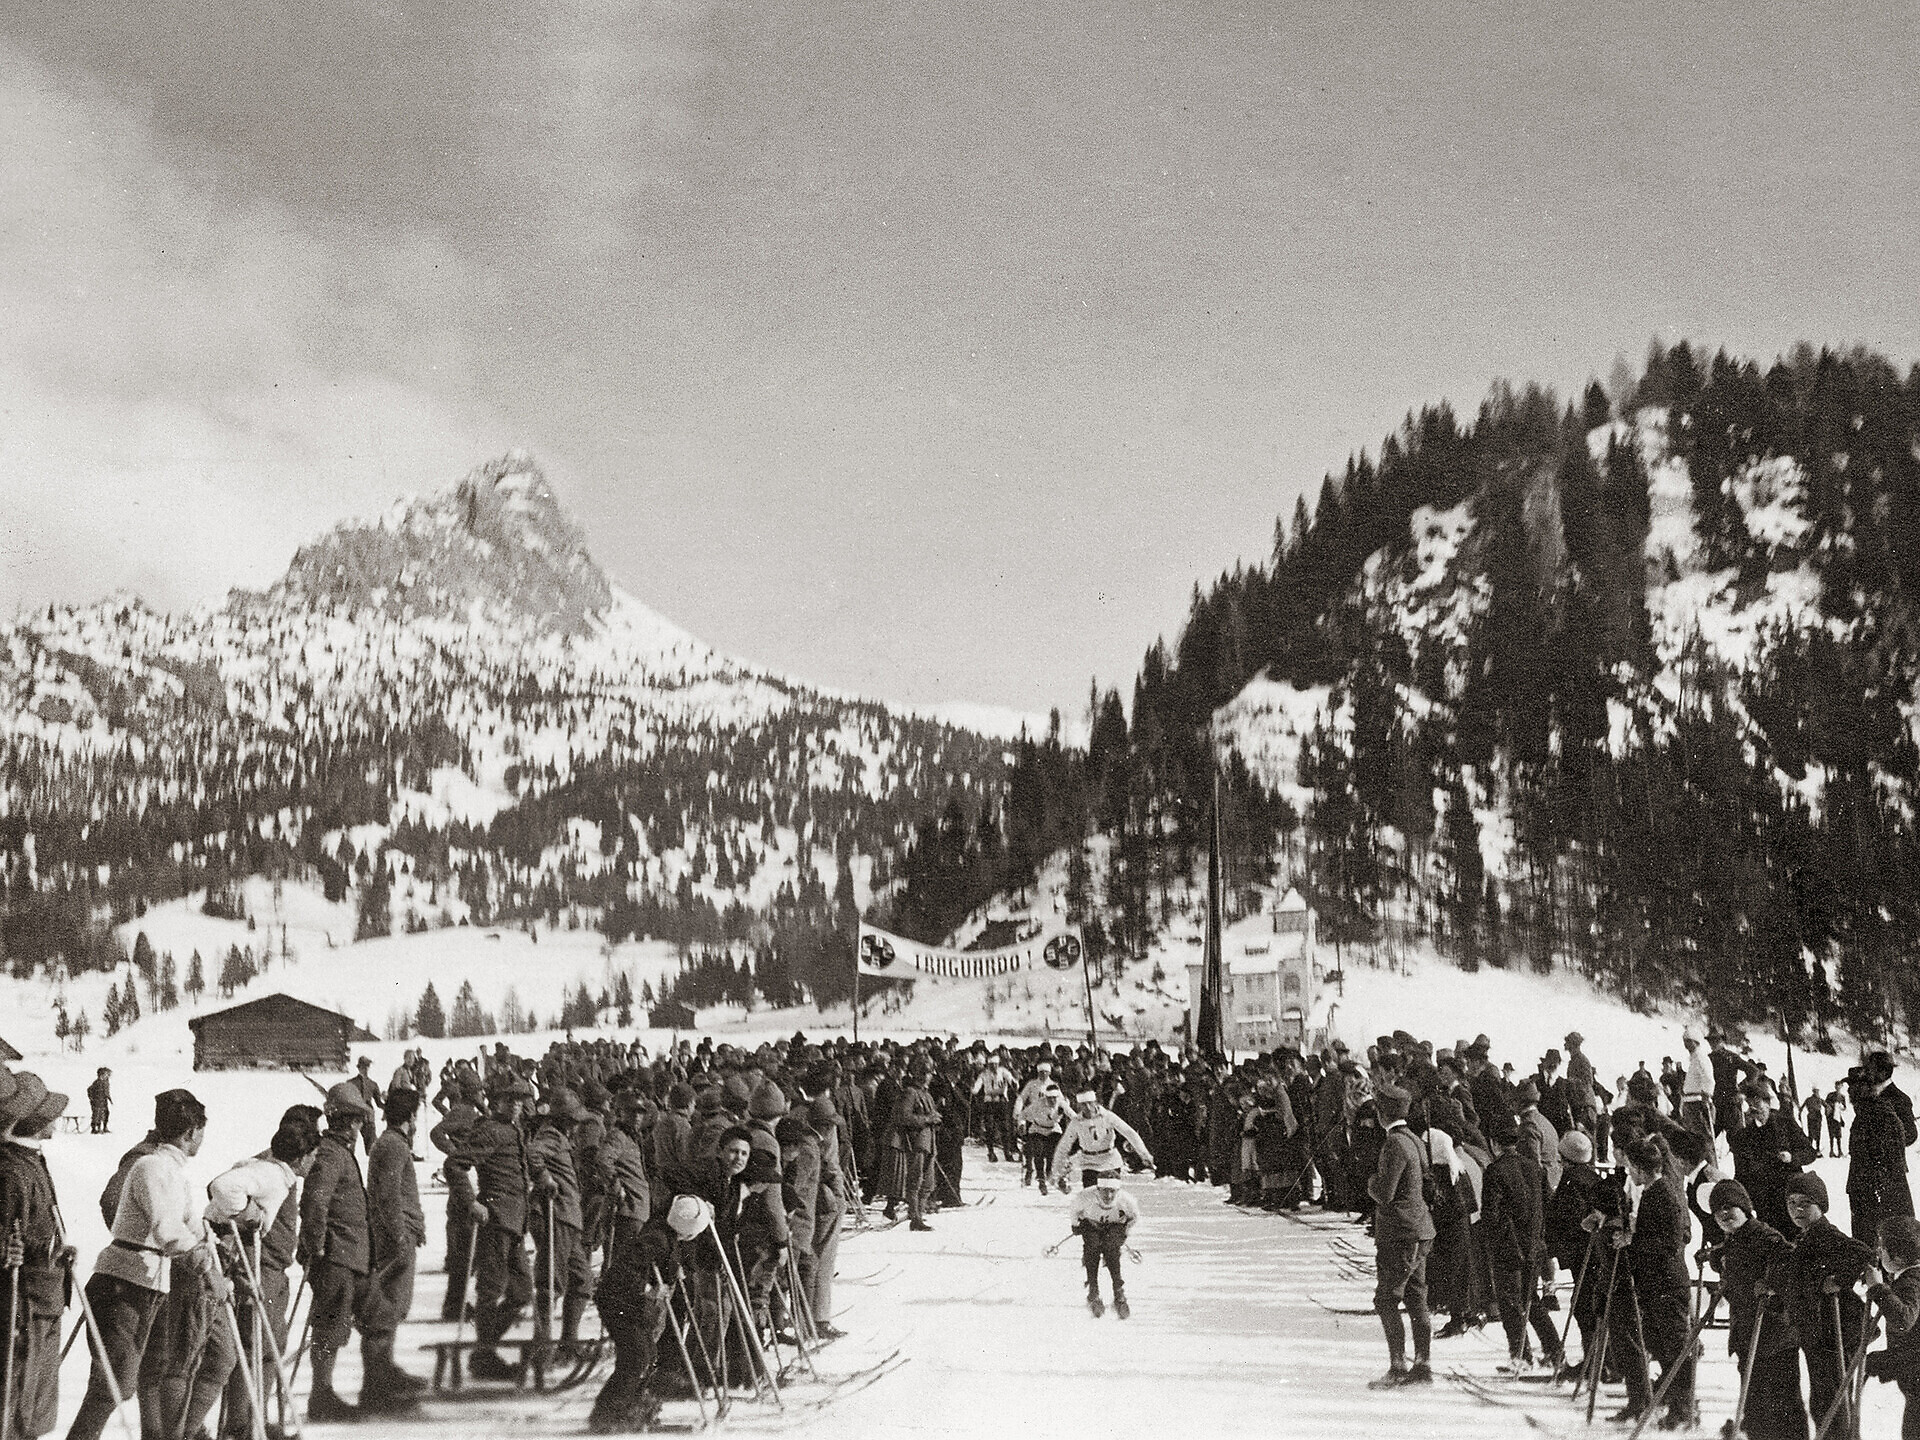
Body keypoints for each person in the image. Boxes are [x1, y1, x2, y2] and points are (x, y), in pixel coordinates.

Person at [67, 1090, 216, 1440]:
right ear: (191, 1132)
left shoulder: (171, 1169)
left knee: (123, 1380)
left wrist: (211, 1244)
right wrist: (200, 1258)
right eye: (201, 1131)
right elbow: (167, 1228)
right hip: (123, 1284)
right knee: (113, 1385)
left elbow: (189, 1221)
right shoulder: (152, 1166)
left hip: (146, 1284)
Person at [1765, 1170, 1873, 1440]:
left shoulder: (1825, 1234)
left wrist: (1838, 1280)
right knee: (1824, 1401)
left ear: (1820, 1206)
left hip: (1836, 1333)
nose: (1797, 1210)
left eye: (1805, 1203)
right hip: (1817, 1331)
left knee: (1833, 1402)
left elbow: (1864, 1255)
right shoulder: (1805, 1236)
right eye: (1791, 1203)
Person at [1600, 1135, 1694, 1429]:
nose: (1629, 1172)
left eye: (1631, 1168)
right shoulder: (1656, 1191)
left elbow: (1668, 1244)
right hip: (1657, 1284)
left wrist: (1632, 1242)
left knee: (1675, 1348)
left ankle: (1684, 1408)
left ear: (1641, 1168)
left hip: (1667, 1283)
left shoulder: (1663, 1193)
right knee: (1661, 1345)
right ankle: (1670, 1403)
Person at [0, 1071, 72, 1440]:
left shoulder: (30, 1162)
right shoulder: (13, 1169)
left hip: (46, 1293)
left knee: (37, 1398)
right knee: (19, 1396)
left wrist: (57, 1246)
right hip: (26, 1300)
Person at [448, 1076, 535, 1382]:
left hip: (514, 1224)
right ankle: (484, 1356)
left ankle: (483, 1349)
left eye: (520, 1100)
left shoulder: (514, 1129)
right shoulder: (490, 1130)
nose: (516, 1105)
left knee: (523, 1292)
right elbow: (455, 1165)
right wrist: (472, 1202)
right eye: (509, 1100)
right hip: (496, 1220)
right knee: (491, 1291)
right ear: (496, 1101)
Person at [299, 1084, 375, 1421]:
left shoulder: (342, 1152)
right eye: (353, 1120)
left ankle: (371, 1385)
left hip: (350, 1256)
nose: (357, 1127)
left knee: (351, 1323)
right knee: (329, 1327)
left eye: (358, 1120)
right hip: (336, 1257)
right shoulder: (331, 1153)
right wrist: (316, 1246)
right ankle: (321, 1396)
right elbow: (314, 1202)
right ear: (340, 1120)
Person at [1707, 1178, 1805, 1440]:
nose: (1724, 1215)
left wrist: (1772, 1285)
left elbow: (1792, 1265)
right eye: (1718, 1212)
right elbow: (1734, 1259)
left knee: (1784, 1402)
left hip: (1774, 1334)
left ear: (1745, 1207)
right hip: (1748, 1333)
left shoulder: (1764, 1235)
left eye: (1730, 1208)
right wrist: (1716, 1259)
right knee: (1755, 1399)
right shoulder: (1736, 1237)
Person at [1480, 1112, 1561, 1373]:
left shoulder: (1495, 1171)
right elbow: (1550, 1202)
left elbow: (1490, 1214)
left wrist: (1492, 1241)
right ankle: (1554, 1350)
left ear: (1494, 1143)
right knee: (1531, 1300)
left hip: (1508, 1246)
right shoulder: (1534, 1168)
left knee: (1509, 1301)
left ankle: (1521, 1355)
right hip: (1534, 1245)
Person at [362, 1089, 427, 1410]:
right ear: (411, 1116)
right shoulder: (392, 1147)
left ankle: (383, 1373)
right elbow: (387, 1198)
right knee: (386, 1309)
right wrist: (401, 1237)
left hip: (400, 1234)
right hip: (395, 1239)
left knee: (392, 1308)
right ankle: (376, 1386)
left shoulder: (392, 1144)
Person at [1365, 1087, 1434, 1390]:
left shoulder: (1393, 1144)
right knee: (1417, 1296)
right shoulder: (1415, 1140)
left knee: (1386, 1299)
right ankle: (1423, 1365)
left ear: (1382, 1113)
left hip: (1399, 1233)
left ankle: (1398, 1367)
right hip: (1420, 1230)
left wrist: (1369, 1182)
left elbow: (1384, 1194)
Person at [1727, 1080, 1818, 1234]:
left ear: (1768, 1103)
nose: (1754, 1109)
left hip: (1790, 1199)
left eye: (1758, 1103)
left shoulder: (1786, 1124)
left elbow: (1810, 1152)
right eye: (1750, 1106)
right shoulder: (1744, 1136)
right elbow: (1741, 1174)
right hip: (1764, 1204)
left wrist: (1792, 1157)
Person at [1864, 1214, 1920, 1440]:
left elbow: (1904, 1319)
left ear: (1897, 1257)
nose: (1878, 1251)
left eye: (1882, 1246)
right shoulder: (1909, 1279)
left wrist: (1878, 1288)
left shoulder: (1911, 1282)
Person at [1051, 1090, 1154, 1193]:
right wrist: (1057, 1171)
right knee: (1091, 1197)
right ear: (1079, 1106)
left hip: (1110, 1161)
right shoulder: (1076, 1122)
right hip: (1089, 1163)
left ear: (1095, 1102)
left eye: (1090, 1103)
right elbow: (1064, 1146)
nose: (1087, 1107)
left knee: (1110, 1197)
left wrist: (1144, 1154)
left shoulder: (1108, 1116)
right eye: (1083, 1104)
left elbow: (1129, 1133)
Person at [1069, 1174, 1139, 1319]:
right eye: (1105, 1190)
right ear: (1098, 1189)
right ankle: (1093, 1290)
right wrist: (1076, 1226)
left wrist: (1125, 1231)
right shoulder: (1085, 1196)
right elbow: (1074, 1211)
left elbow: (1134, 1216)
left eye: (1112, 1191)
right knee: (1092, 1247)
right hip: (1091, 1224)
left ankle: (1118, 1291)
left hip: (1114, 1226)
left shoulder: (1126, 1200)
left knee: (1112, 1249)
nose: (1108, 1195)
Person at [1017, 1076, 1069, 1194]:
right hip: (1038, 1129)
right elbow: (1022, 1115)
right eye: (1050, 1098)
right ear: (1046, 1097)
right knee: (1039, 1153)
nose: (1052, 1101)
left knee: (1054, 1153)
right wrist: (1021, 1124)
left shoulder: (1061, 1103)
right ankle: (1041, 1179)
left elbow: (1072, 1114)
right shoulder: (1037, 1104)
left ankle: (1055, 1176)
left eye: (1055, 1098)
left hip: (1053, 1129)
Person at [349, 1057, 383, 1156]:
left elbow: (379, 1103)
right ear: (359, 1068)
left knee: (373, 1150)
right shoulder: (351, 1083)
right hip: (354, 1117)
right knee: (350, 1148)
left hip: (368, 1118)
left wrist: (390, 1105)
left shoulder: (373, 1084)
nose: (365, 1069)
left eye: (367, 1067)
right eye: (363, 1067)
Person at [87, 1069, 111, 1135]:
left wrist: (109, 1099)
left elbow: (106, 1092)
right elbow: (89, 1090)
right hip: (97, 1101)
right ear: (101, 1075)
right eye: (106, 1074)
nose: (108, 1076)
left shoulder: (105, 1082)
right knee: (97, 1115)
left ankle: (104, 1128)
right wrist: (92, 1099)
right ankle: (95, 1129)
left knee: (106, 1113)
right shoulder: (97, 1082)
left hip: (103, 1101)